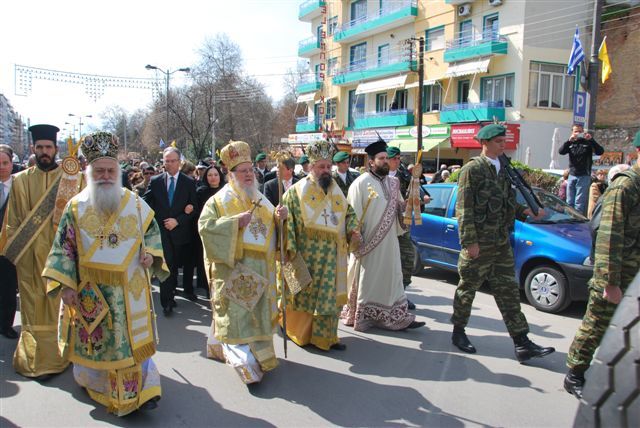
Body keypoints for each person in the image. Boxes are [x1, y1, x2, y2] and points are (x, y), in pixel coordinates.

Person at [43, 131, 168, 416]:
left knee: (131, 344)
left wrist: (151, 254)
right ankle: (99, 384)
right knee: (101, 345)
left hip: (130, 289)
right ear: (89, 172)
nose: (105, 176)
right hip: (92, 292)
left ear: (118, 171)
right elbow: (64, 248)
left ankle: (143, 391)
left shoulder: (135, 204)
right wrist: (66, 287)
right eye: (99, 170)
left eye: (110, 170)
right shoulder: (76, 206)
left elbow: (151, 233)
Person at [451, 124, 555, 362]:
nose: (503, 145)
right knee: (467, 289)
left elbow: (507, 203)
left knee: (508, 291)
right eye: (498, 141)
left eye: (503, 140)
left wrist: (526, 211)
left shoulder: (505, 170)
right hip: (479, 242)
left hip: (500, 242)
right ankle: (458, 332)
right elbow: (464, 208)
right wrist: (469, 242)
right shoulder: (473, 169)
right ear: (484, 143)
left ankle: (522, 342)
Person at [198, 140, 287, 384]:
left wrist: (282, 219)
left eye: (251, 170)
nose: (249, 175)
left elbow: (275, 232)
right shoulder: (218, 201)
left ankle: (259, 355)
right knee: (237, 318)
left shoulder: (262, 198)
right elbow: (205, 228)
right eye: (243, 171)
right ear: (231, 174)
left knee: (257, 318)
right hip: (234, 271)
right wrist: (234, 223)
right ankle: (241, 359)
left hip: (262, 270)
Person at [564, 132, 640, 399]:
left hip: (635, 275)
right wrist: (610, 282)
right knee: (596, 325)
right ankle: (575, 372)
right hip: (617, 275)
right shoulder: (626, 186)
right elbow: (608, 234)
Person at [3, 124, 82, 378]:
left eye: (48, 147)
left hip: (60, 256)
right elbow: (12, 221)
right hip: (29, 257)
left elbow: (78, 219)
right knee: (32, 306)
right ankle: (32, 357)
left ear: (56, 149)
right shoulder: (21, 180)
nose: (44, 151)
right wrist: (17, 254)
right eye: (40, 147)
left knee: (58, 304)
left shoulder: (70, 180)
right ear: (33, 149)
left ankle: (61, 354)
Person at [281, 140, 360, 351]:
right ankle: (303, 334)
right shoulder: (296, 192)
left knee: (329, 299)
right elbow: (287, 223)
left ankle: (327, 338)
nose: (326, 171)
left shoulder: (335, 190)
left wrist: (353, 229)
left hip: (333, 256)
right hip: (307, 257)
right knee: (305, 295)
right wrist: (289, 251)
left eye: (328, 166)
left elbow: (348, 212)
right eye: (321, 167)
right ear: (311, 167)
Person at [342, 138, 423, 331]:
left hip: (390, 243)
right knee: (368, 282)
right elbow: (351, 216)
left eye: (387, 158)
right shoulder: (360, 184)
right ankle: (365, 316)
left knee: (393, 278)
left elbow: (400, 209)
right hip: (368, 245)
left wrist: (412, 201)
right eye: (381, 158)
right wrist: (356, 240)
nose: (386, 161)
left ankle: (396, 316)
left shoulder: (394, 183)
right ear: (371, 161)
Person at [143, 147, 198, 314]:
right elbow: (146, 202)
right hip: (161, 232)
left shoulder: (188, 182)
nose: (169, 164)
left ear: (179, 162)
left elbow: (193, 207)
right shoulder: (156, 181)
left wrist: (178, 220)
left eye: (173, 161)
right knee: (166, 265)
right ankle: (166, 302)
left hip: (180, 232)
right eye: (166, 161)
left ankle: (173, 293)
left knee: (175, 267)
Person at [386, 146, 416, 310]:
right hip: (384, 224)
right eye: (394, 158)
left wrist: (418, 201)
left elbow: (412, 194)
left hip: (402, 223)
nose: (397, 161)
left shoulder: (404, 176)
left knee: (406, 257)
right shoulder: (379, 177)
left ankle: (401, 294)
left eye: (399, 158)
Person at [558, 124, 605, 214]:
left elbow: (600, 151)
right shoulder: (571, 143)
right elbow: (561, 151)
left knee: (579, 203)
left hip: (584, 175)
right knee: (569, 201)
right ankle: (569, 219)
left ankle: (576, 221)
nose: (578, 133)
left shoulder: (587, 142)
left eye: (580, 131)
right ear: (572, 132)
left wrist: (591, 139)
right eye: (576, 131)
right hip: (572, 174)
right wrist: (568, 141)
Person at [194, 165, 226, 297]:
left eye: (216, 175)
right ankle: (207, 286)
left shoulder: (226, 191)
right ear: (206, 177)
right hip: (207, 231)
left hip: (223, 231)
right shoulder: (200, 191)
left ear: (220, 176)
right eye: (210, 175)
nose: (213, 178)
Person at [0, 145, 18, 339]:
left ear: (12, 164)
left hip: (9, 247)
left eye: (5, 163)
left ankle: (6, 324)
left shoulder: (19, 186)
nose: (2, 167)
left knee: (8, 286)